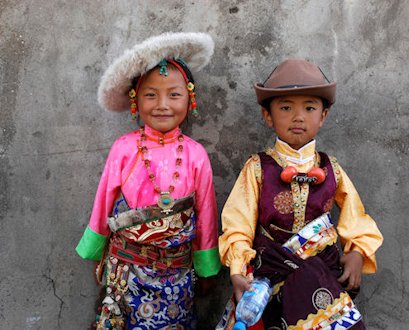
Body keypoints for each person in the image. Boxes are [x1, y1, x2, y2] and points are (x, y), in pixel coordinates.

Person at [217, 59, 383, 330]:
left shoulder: (332, 169)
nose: (298, 117)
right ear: (267, 116)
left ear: (323, 116)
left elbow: (356, 216)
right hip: (270, 274)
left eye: (309, 108)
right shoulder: (257, 168)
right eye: (285, 108)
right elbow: (238, 222)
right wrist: (238, 268)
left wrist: (357, 252)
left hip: (321, 275)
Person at [75, 32, 221, 330]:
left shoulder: (196, 155)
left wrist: (207, 268)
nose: (162, 104)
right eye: (151, 94)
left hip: (177, 274)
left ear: (190, 98)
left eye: (174, 94)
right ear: (135, 99)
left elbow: (206, 213)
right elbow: (103, 201)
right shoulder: (124, 148)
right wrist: (96, 252)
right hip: (126, 271)